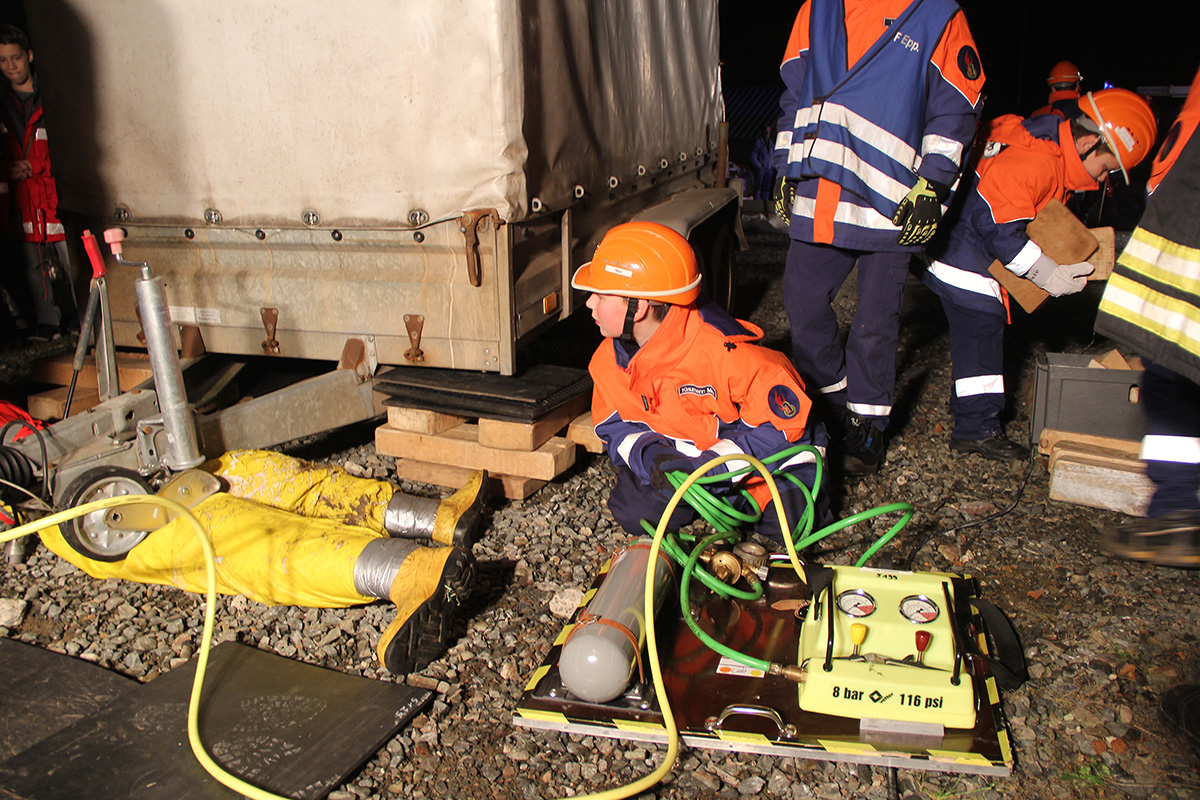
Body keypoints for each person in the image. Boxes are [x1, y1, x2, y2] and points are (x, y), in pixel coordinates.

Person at [38, 449, 490, 675]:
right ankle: (409, 570)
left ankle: (437, 517)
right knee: (250, 539)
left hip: (139, 465)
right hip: (83, 516)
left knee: (267, 473)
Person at [771, 0, 985, 476]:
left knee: (876, 320)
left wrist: (933, 182)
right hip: (822, 184)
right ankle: (835, 401)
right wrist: (786, 165)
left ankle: (867, 427)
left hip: (894, 197)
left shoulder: (937, 15)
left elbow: (955, 106)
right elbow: (795, 92)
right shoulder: (816, 8)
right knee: (803, 302)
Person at [922, 89, 1157, 460]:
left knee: (980, 329)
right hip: (961, 250)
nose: (1103, 179)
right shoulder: (1040, 162)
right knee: (982, 328)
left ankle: (971, 415)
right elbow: (997, 227)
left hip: (960, 241)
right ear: (1088, 143)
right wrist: (1045, 273)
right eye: (1106, 168)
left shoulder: (1048, 146)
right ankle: (975, 430)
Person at [574, 221, 829, 543]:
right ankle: (711, 503)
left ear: (639, 308)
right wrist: (652, 457)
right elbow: (614, 428)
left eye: (601, 295)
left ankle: (738, 506)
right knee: (634, 511)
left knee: (793, 521)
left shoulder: (730, 355)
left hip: (757, 466)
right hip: (687, 469)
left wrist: (711, 470)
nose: (590, 303)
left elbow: (784, 430)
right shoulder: (607, 362)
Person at [0, 24, 74, 342]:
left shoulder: (52, 98)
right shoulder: (3, 107)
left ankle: (85, 318)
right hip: (24, 201)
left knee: (72, 264)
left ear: (29, 56)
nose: (10, 66)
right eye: (2, 60)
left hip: (55, 196)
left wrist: (36, 166)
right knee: (34, 266)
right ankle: (48, 323)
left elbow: (72, 148)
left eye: (15, 58)